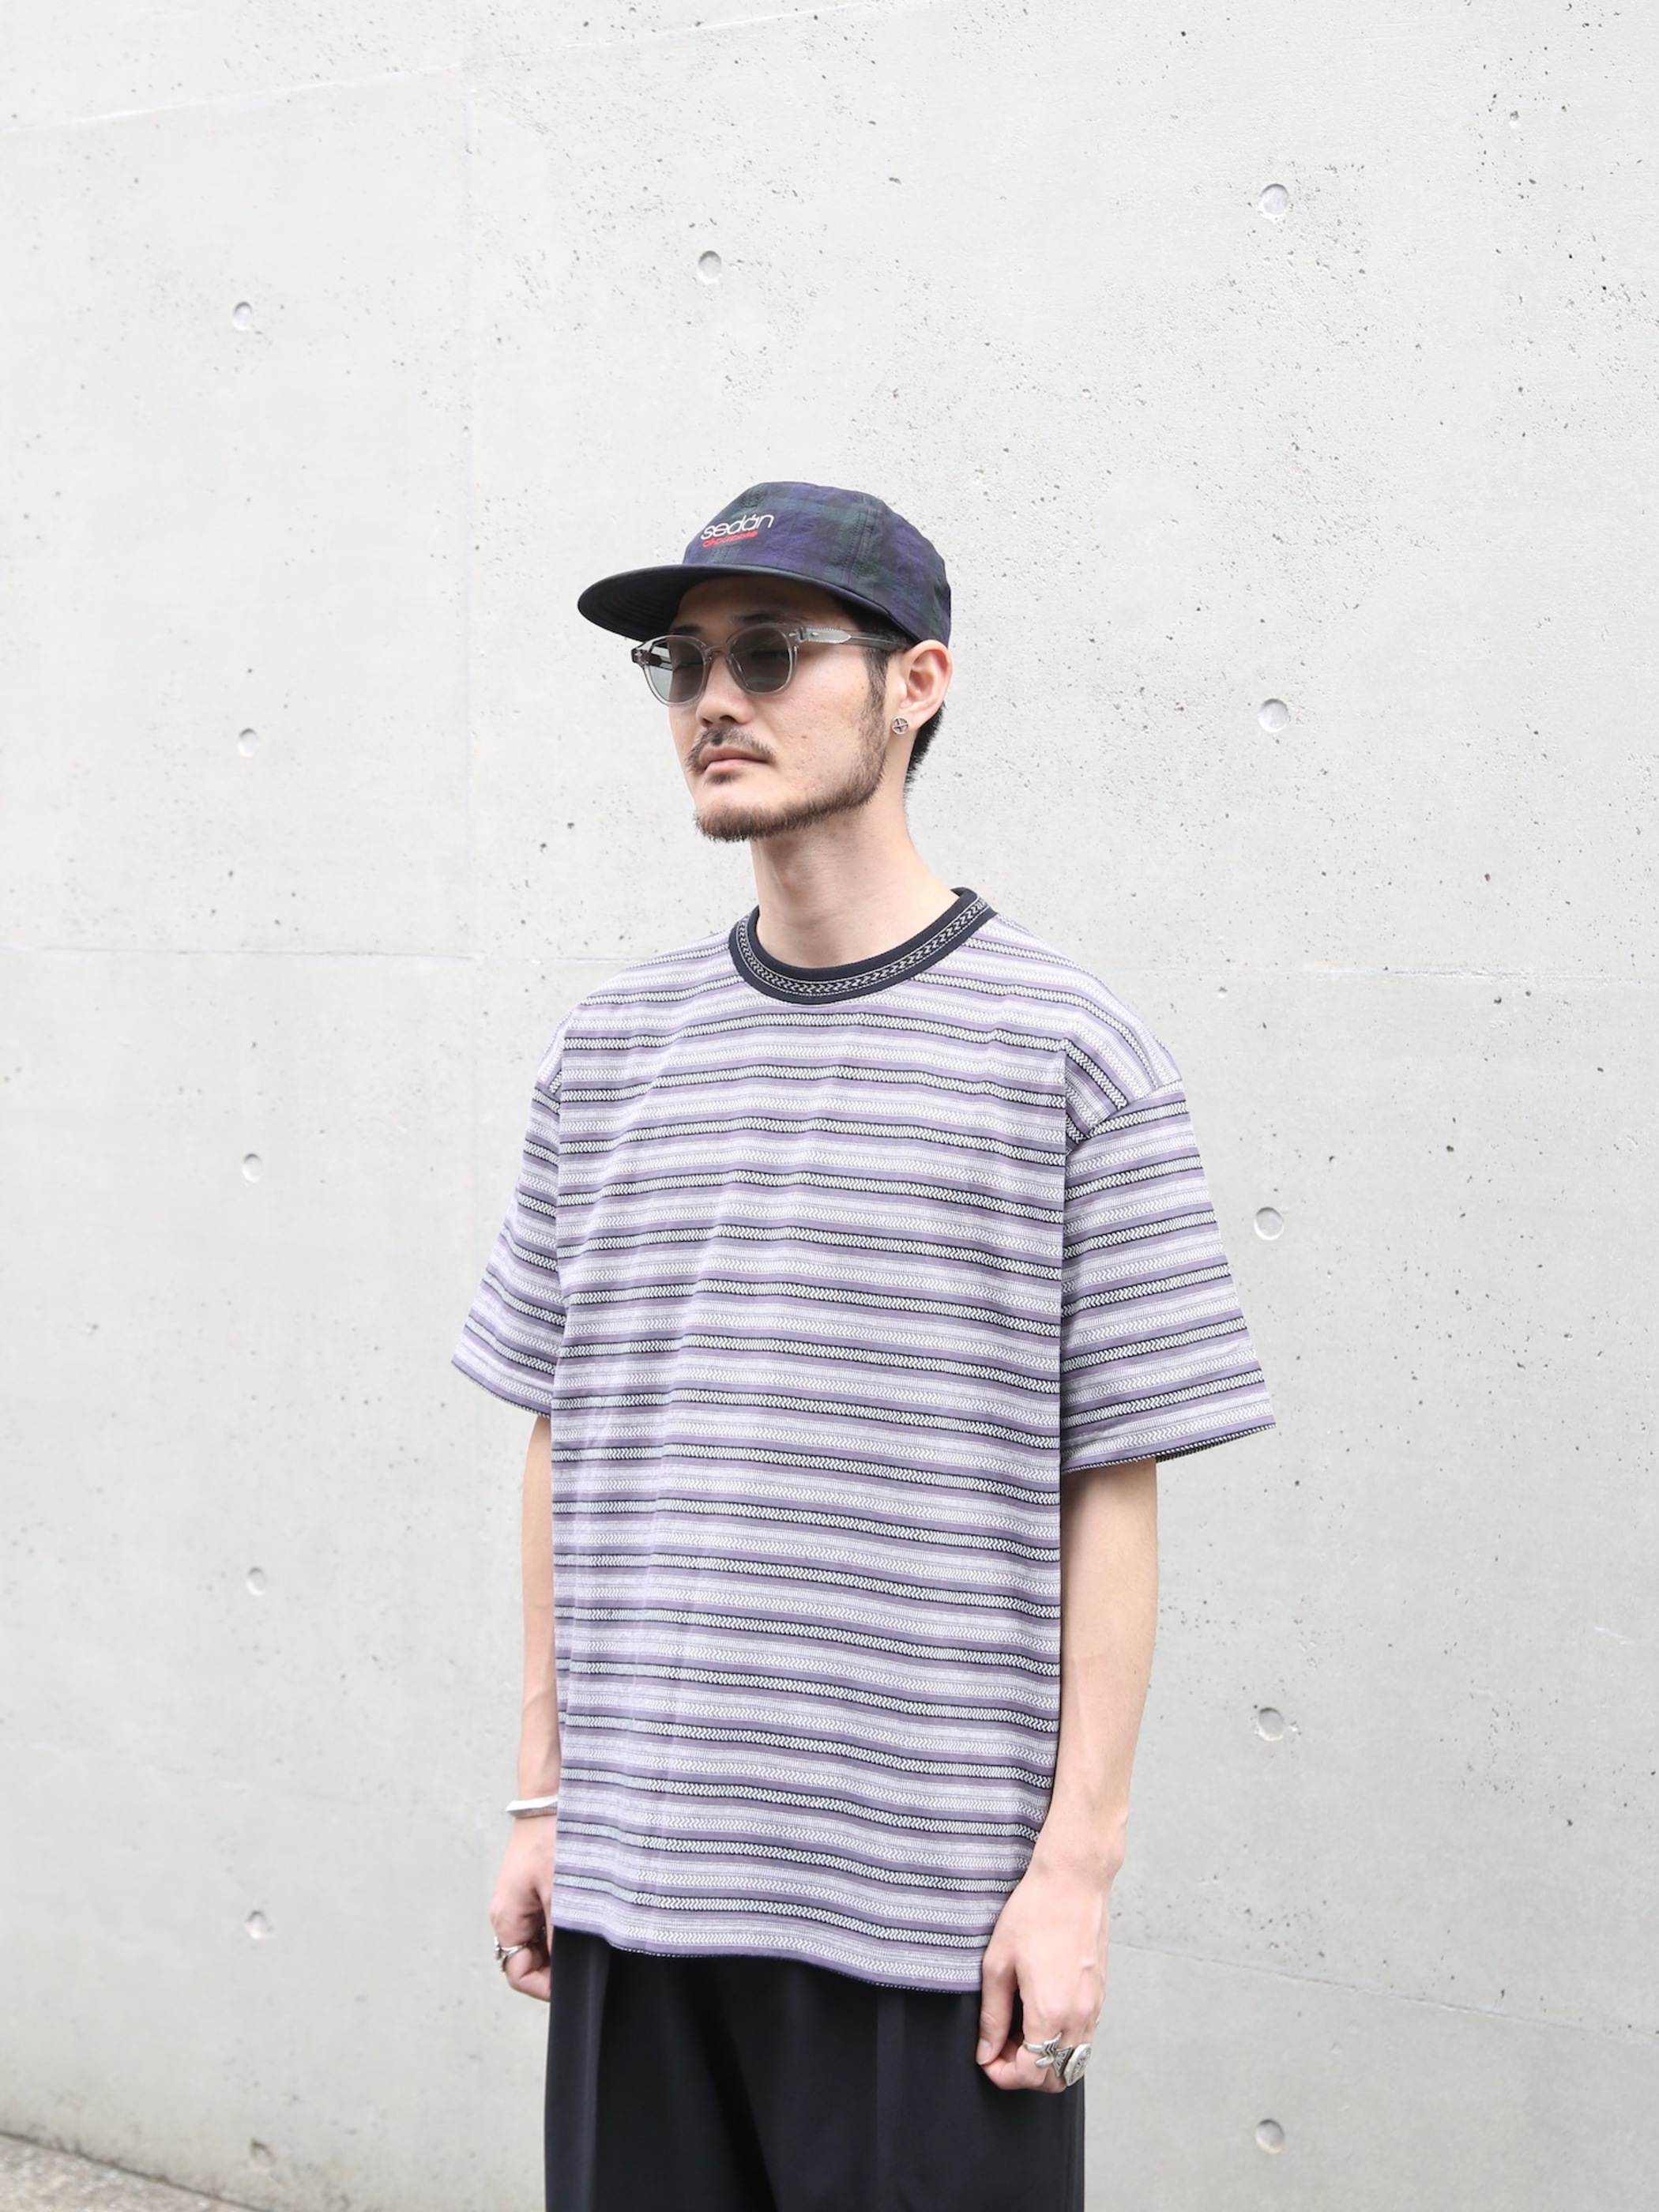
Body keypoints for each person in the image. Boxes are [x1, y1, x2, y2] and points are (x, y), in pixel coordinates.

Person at [455, 482, 1274, 2210]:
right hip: (639, 1882)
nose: (713, 698)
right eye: (680, 664)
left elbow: (1110, 1487)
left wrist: (1076, 1875)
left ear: (917, 682)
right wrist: (543, 1792)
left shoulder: (1071, 1054)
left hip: (929, 1917)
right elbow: (562, 1432)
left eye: (769, 652)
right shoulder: (609, 1052)